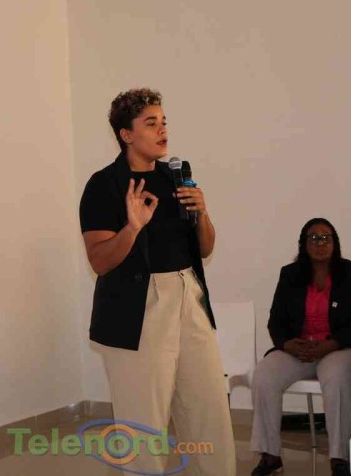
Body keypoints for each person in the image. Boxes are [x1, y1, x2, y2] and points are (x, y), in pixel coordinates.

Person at [78, 88, 235, 475]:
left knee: (209, 411)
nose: (162, 130)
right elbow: (99, 260)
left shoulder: (176, 179)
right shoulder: (104, 185)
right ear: (126, 134)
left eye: (164, 122)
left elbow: (206, 247)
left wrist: (203, 213)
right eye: (151, 123)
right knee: (143, 424)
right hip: (137, 308)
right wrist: (132, 228)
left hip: (188, 296)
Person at [250, 218, 351, 476]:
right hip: (301, 350)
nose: (320, 243)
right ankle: (270, 455)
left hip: (342, 349)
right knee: (264, 374)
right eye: (314, 238)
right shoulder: (290, 275)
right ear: (304, 244)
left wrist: (330, 345)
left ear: (335, 242)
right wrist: (287, 344)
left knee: (336, 375)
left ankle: (338, 458)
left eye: (326, 237)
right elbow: (275, 320)